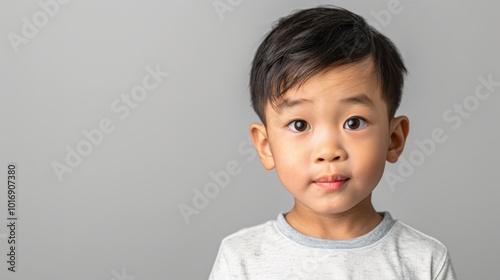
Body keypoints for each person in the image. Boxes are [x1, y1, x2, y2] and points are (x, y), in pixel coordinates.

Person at [209, 6, 457, 279]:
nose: (328, 151)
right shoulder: (242, 259)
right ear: (266, 146)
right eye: (300, 125)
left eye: (354, 123)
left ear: (393, 139)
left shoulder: (424, 261)